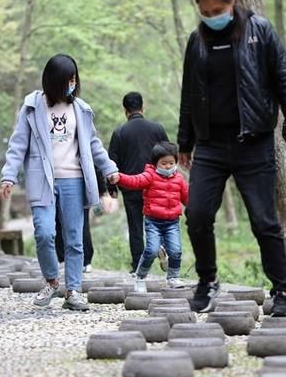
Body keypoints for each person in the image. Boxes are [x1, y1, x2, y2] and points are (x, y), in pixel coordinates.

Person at [177, 0, 286, 316]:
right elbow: (189, 95)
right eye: (205, 11)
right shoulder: (198, 41)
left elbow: (285, 80)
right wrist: (184, 141)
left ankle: (281, 291)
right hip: (210, 144)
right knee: (197, 215)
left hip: (253, 142)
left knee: (264, 220)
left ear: (232, 3)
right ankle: (207, 281)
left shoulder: (259, 31)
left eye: (218, 9)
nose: (212, 16)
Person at [0, 53, 118, 311]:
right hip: (43, 180)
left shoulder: (81, 109)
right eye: (67, 80)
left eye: (74, 79)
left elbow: (93, 144)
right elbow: (18, 144)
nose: (72, 84)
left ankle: (73, 290)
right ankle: (52, 281)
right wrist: (9, 175)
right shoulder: (32, 107)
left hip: (74, 180)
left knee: (75, 238)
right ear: (53, 82)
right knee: (44, 233)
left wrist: (109, 168)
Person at [109, 91, 169, 274]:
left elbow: (112, 162)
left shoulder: (119, 133)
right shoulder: (157, 129)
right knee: (158, 221)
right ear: (143, 107)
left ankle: (138, 265)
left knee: (135, 226)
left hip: (130, 187)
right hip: (155, 185)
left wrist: (112, 189)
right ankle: (161, 245)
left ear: (125, 111)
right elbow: (168, 154)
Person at [116, 141, 188, 290]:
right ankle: (140, 277)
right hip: (153, 221)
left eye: (171, 163)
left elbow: (187, 198)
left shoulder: (179, 179)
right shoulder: (150, 176)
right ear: (156, 164)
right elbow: (134, 181)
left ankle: (173, 278)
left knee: (176, 250)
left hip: (172, 222)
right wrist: (119, 177)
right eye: (163, 163)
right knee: (151, 250)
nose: (168, 166)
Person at [55, 165, 112, 272]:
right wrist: (103, 191)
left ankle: (74, 260)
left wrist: (103, 191)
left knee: (62, 222)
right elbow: (94, 166)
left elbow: (94, 166)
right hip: (77, 186)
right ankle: (82, 261)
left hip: (72, 185)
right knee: (76, 223)